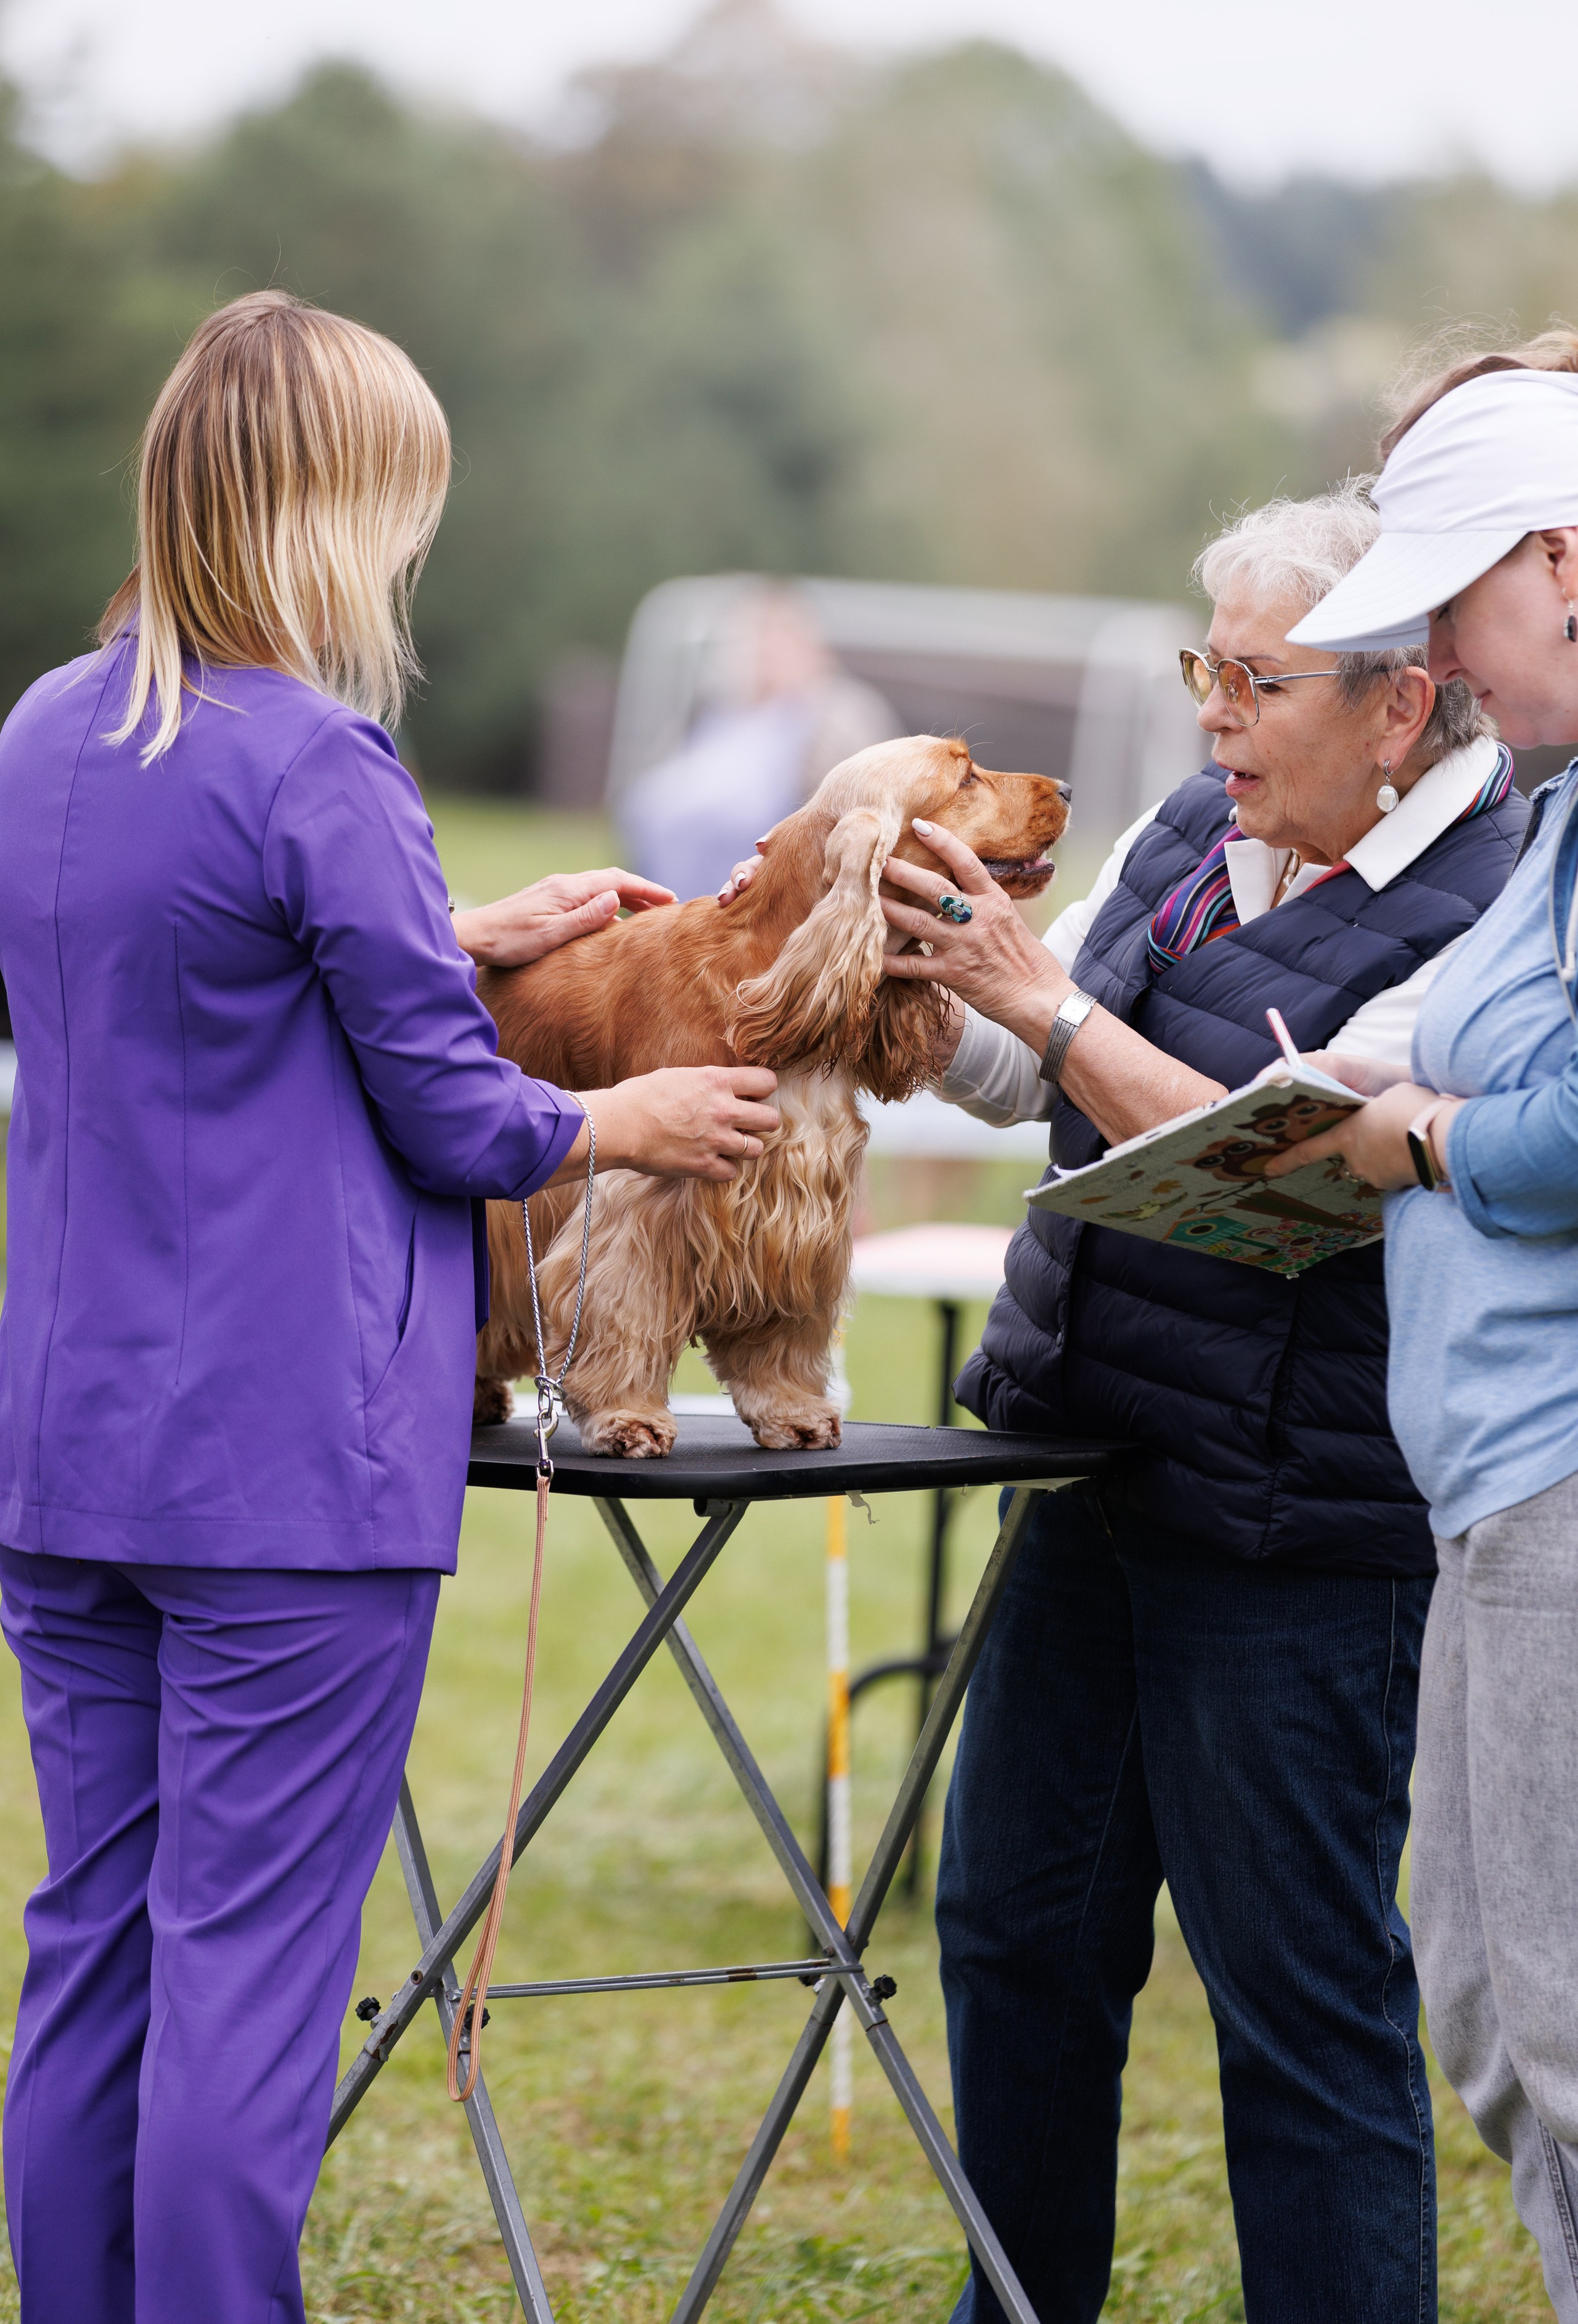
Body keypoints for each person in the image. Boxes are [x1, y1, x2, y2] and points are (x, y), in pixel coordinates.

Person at [0, 289, 779, 2324]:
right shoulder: (323, 755)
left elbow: (190, 990)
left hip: (68, 1449)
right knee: (251, 1981)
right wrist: (632, 1110)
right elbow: (458, 1117)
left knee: (99, 1945)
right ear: (336, 513)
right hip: (287, 1471)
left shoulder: (44, 728)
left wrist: (442, 932)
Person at [862, 481, 1529, 2324]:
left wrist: (1051, 1015)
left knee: (1295, 2003)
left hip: (1299, 1529)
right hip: (1089, 1463)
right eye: (1201, 665)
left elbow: (1295, 1169)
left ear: (1399, 703)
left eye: (1253, 677)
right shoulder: (1187, 828)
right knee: (1011, 1939)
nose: (1209, 713)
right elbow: (1020, 1057)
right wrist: (899, 966)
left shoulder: (1492, 902)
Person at [1261, 345, 1578, 2323]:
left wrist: (1424, 1133)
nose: (1443, 663)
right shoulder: (1556, 814)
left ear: (1562, 559)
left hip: (1558, 1478)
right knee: (1487, 2015)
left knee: (1558, 2028)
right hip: (1484, 1482)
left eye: (1458, 605)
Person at [618, 582, 894, 902]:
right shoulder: (725, 709)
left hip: (768, 826)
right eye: (761, 642)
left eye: (779, 641)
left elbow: (855, 788)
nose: (768, 653)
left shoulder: (836, 709)